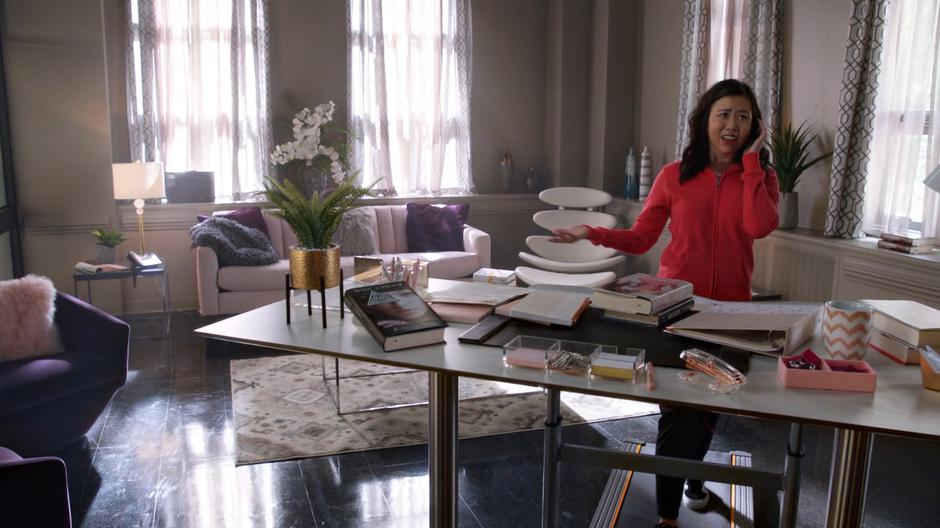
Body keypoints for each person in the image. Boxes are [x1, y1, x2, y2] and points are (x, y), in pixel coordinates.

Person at [550, 79, 779, 527]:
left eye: (744, 116)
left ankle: (694, 477)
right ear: (705, 121)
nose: (733, 124)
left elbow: (758, 226)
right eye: (724, 114)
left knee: (711, 409)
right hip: (676, 311)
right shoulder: (674, 175)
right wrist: (592, 232)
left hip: (729, 315)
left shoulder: (761, 177)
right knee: (676, 412)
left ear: (754, 127)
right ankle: (667, 514)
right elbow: (642, 236)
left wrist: (753, 162)